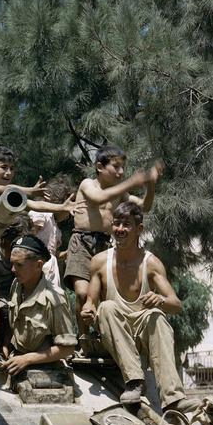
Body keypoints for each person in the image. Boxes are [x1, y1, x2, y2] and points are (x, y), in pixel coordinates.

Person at [81, 201, 193, 411]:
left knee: (157, 316)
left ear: (139, 229)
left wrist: (160, 300)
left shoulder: (151, 263)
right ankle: (134, 381)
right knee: (106, 307)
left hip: (143, 332)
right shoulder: (99, 262)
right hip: (114, 332)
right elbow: (91, 303)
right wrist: (88, 311)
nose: (120, 230)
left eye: (126, 225)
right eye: (117, 224)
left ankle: (173, 398)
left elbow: (176, 304)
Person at [0, 147, 75, 369]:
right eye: (3, 168)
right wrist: (29, 189)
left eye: (12, 169)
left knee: (10, 302)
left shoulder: (6, 196)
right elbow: (4, 188)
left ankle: (0, 348)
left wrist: (60, 207)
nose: (8, 172)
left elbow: (35, 205)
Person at [66, 144, 162, 337]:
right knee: (83, 294)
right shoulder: (88, 184)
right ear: (100, 167)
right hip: (81, 243)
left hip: (105, 246)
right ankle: (83, 338)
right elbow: (98, 198)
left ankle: (103, 336)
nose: (121, 172)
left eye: (123, 168)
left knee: (104, 297)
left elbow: (145, 207)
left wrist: (150, 185)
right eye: (116, 167)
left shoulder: (120, 193)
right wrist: (131, 182)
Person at [2, 235, 78, 378]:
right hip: (16, 362)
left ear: (38, 265)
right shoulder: (17, 285)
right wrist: (6, 345)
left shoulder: (55, 299)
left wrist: (27, 359)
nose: (12, 269)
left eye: (19, 264)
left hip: (45, 370)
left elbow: (67, 348)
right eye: (11, 263)